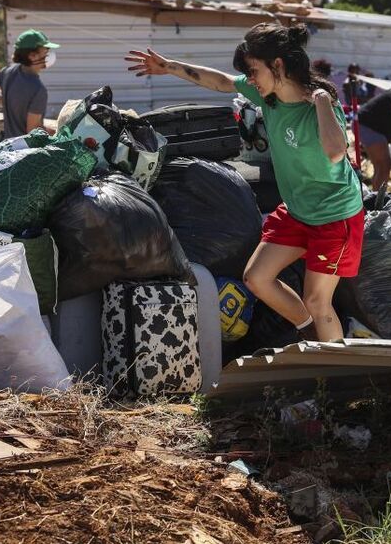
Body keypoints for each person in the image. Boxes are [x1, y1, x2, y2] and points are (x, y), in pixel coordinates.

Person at [125, 22, 364, 343]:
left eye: (253, 71)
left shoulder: (320, 105)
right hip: (298, 211)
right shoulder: (269, 96)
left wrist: (322, 101)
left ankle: (336, 375)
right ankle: (309, 328)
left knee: (318, 300)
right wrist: (168, 66)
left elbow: (336, 153)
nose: (249, 80)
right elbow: (222, 81)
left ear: (277, 65)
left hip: (335, 217)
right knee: (256, 278)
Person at [0, 30, 58, 138]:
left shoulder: (7, 72)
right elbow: (32, 130)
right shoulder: (38, 90)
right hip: (26, 152)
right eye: (45, 53)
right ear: (32, 56)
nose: (48, 56)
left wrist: (8, 105)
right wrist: (54, 132)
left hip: (9, 147)